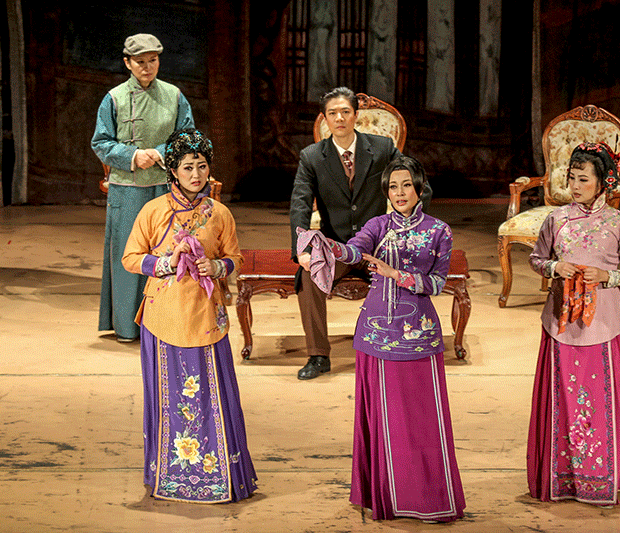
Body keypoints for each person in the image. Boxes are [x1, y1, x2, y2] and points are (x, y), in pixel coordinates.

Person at [300, 155, 465, 522]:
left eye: (406, 185)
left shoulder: (439, 230)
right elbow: (355, 249)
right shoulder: (378, 225)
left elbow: (437, 283)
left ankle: (426, 497)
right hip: (375, 334)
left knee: (421, 421)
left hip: (418, 334)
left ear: (419, 187)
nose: (400, 192)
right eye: (393, 186)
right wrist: (329, 246)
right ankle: (386, 497)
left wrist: (396, 274)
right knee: (383, 420)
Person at [121, 129, 256, 503]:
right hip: (163, 317)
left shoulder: (220, 213)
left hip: (206, 314)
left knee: (214, 398)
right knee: (168, 400)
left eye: (202, 166)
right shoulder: (153, 211)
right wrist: (166, 262)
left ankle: (221, 479)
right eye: (187, 167)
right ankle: (169, 477)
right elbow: (130, 258)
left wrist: (217, 266)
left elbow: (235, 258)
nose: (196, 175)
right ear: (173, 171)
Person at [526, 142, 620, 506]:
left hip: (602, 324)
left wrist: (607, 276)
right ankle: (559, 481)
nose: (575, 187)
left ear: (603, 182)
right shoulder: (556, 220)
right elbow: (536, 258)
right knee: (561, 400)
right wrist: (553, 267)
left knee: (597, 402)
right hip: (560, 322)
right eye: (572, 178)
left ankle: (598, 481)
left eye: (583, 179)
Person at [289, 86, 431, 379]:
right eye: (332, 113)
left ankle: (400, 346)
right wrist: (303, 250)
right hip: (336, 246)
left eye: (345, 112)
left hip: (378, 246)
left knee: (403, 275)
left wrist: (408, 226)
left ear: (356, 115)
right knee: (308, 276)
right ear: (325, 118)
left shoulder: (381, 148)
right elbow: (300, 204)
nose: (339, 118)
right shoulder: (312, 156)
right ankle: (318, 355)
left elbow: (419, 186)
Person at [92, 33, 195, 342]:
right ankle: (127, 326)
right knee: (128, 254)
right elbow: (101, 142)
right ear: (127, 63)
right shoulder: (114, 98)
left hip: (166, 186)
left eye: (153, 60)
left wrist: (160, 153)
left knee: (169, 250)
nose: (148, 67)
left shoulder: (174, 95)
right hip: (128, 188)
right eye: (140, 62)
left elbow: (187, 136)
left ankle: (163, 324)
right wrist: (133, 156)